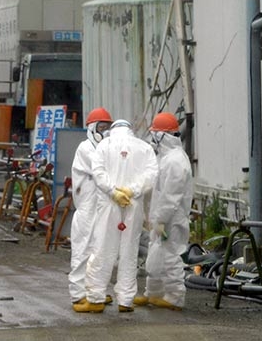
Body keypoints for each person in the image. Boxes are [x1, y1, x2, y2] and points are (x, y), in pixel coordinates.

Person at [74, 119, 158, 314]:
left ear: (113, 130)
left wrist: (114, 192)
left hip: (109, 203)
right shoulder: (144, 147)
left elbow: (98, 172)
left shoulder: (104, 145)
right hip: (133, 203)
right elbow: (151, 175)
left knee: (103, 250)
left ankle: (95, 298)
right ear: (130, 130)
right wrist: (132, 190)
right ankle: (126, 300)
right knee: (129, 251)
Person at [134, 112, 194, 311]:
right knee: (156, 255)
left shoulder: (176, 161)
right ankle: (154, 293)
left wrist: (161, 219)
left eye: (155, 134)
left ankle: (175, 297)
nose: (153, 139)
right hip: (162, 217)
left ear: (162, 136)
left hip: (172, 219)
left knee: (170, 256)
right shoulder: (166, 157)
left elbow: (171, 195)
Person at [68, 107, 114, 309]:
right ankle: (78, 294)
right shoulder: (86, 148)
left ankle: (96, 291)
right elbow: (103, 170)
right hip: (87, 210)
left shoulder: (105, 149)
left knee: (100, 251)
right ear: (92, 128)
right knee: (82, 252)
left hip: (100, 209)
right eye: (102, 127)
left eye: (108, 127)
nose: (106, 131)